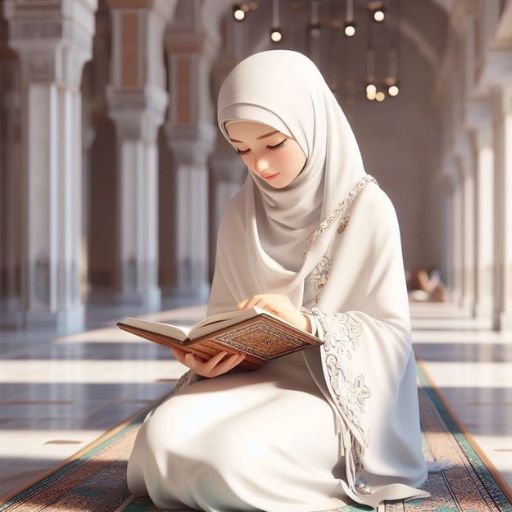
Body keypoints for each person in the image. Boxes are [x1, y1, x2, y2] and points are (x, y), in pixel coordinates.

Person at [126, 49, 430, 511]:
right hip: (255, 381)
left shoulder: (368, 209)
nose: (260, 166)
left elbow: (392, 339)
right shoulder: (238, 214)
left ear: (310, 124)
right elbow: (226, 319)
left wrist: (309, 325)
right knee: (158, 443)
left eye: (273, 144)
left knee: (230, 460)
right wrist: (212, 358)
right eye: (243, 150)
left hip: (334, 394)